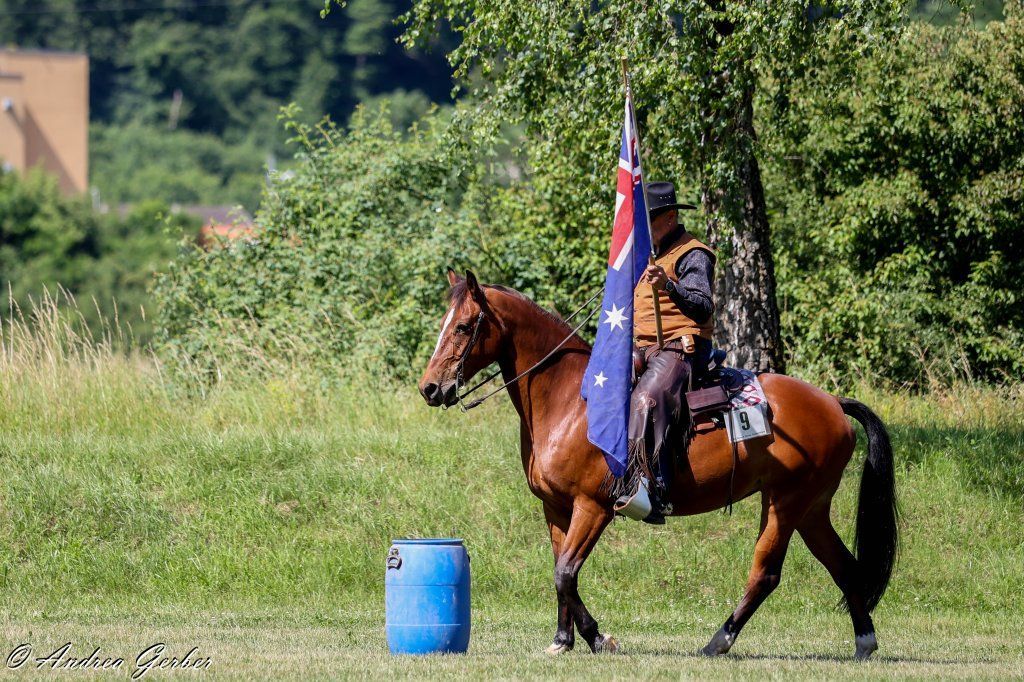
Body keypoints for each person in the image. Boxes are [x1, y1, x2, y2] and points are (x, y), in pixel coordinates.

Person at [624, 181, 716, 524]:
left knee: (647, 397)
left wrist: (668, 286)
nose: (644, 229)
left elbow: (703, 306)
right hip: (644, 348)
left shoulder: (693, 253)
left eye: (650, 220)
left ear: (671, 217)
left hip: (681, 346)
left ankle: (654, 487)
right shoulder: (649, 255)